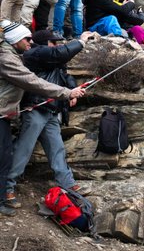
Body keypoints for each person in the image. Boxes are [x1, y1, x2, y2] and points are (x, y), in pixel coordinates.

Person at [0, 20, 85, 216]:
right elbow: (33, 81)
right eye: (52, 42)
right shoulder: (35, 54)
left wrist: (70, 90)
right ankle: (8, 188)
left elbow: (64, 74)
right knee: (21, 149)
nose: (56, 45)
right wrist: (82, 41)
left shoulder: (27, 55)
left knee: (57, 148)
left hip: (52, 109)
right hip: (36, 108)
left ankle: (68, 183)